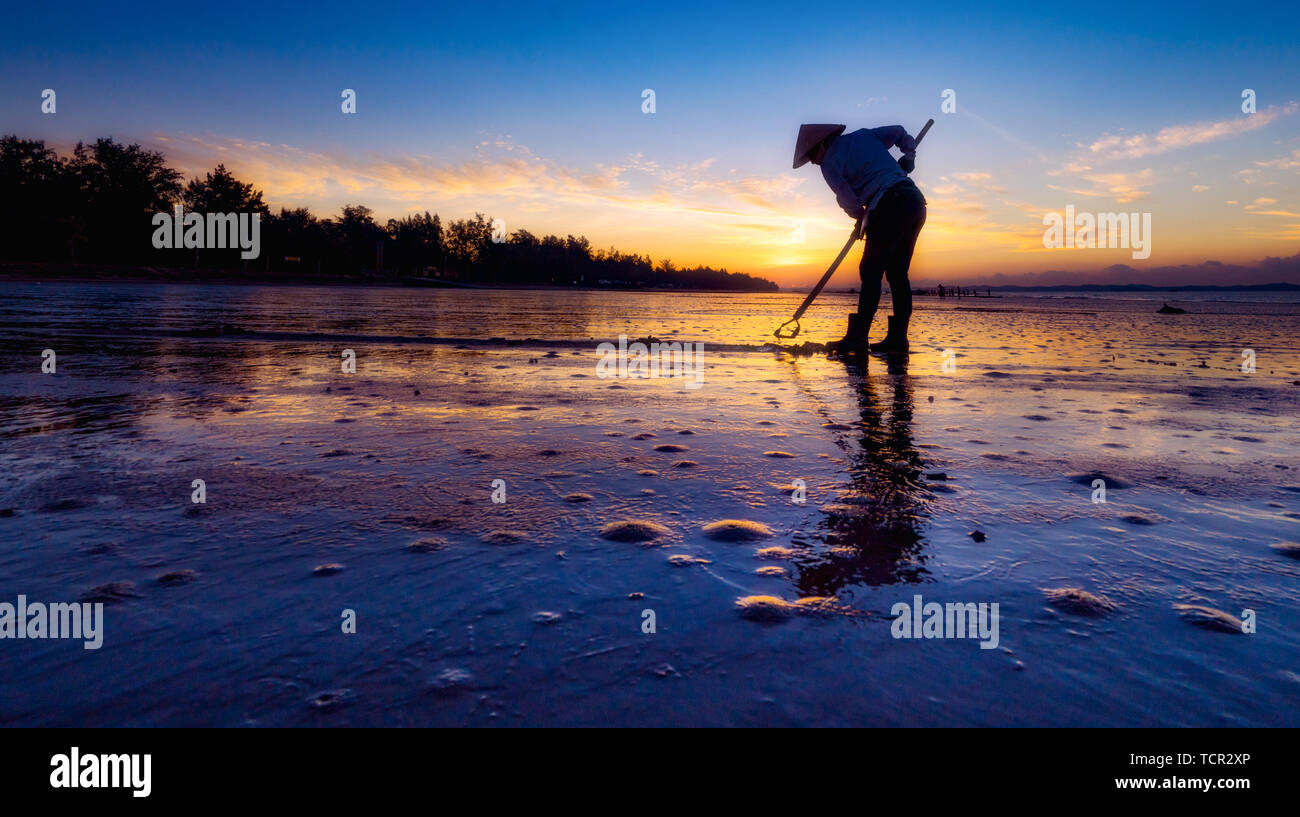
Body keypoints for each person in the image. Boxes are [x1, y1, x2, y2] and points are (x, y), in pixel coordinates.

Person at [793, 123, 927, 354]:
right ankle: (898, 340)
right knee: (897, 273)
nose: (813, 162)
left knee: (870, 271)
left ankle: (858, 338)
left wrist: (859, 215)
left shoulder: (829, 164)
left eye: (812, 156)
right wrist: (910, 157)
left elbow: (847, 199)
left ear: (822, 144)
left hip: (888, 205)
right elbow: (898, 132)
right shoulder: (865, 136)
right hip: (914, 203)